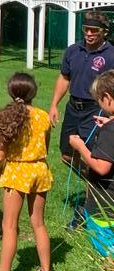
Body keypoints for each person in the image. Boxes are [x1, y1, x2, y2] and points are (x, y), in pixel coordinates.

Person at [0, 72, 55, 271]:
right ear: (34, 92)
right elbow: (45, 147)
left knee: (9, 225)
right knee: (38, 222)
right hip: (39, 169)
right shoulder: (44, 116)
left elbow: (0, 155)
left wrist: (2, 171)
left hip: (17, 171)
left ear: (11, 91)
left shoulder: (8, 117)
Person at [68, 69, 114, 271]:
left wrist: (79, 147)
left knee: (109, 260)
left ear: (108, 97)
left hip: (106, 206)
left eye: (100, 99)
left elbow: (101, 166)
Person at [49, 11, 114, 164]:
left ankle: (94, 186)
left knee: (95, 156)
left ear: (104, 32)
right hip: (73, 108)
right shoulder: (73, 50)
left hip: (95, 109)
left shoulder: (111, 54)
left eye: (94, 30)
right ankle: (89, 180)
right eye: (86, 29)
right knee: (66, 155)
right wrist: (54, 105)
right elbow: (64, 78)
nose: (89, 34)